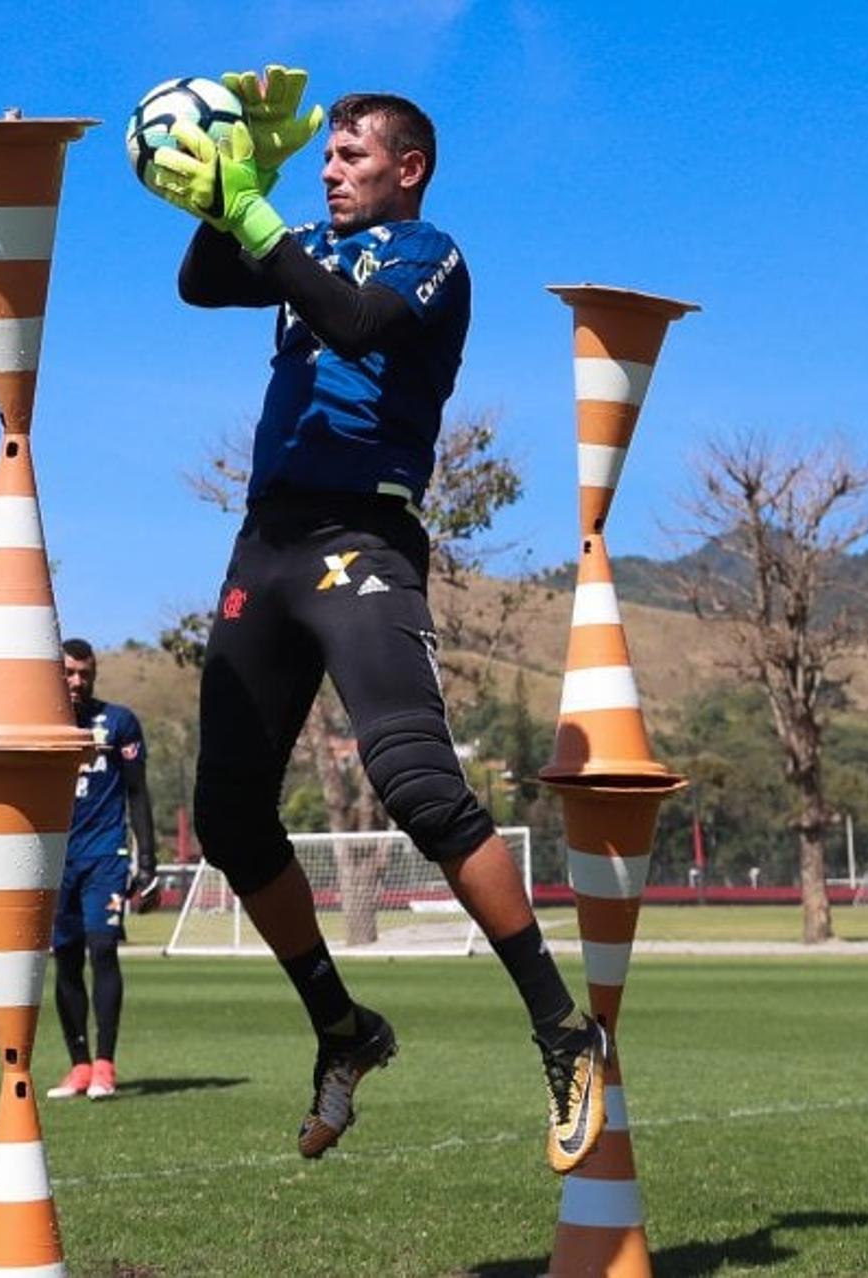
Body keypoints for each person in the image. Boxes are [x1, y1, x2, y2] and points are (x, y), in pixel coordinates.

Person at [147, 67, 610, 1172]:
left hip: (364, 537)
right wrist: (233, 182)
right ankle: (342, 1028)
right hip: (266, 543)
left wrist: (262, 217)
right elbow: (203, 285)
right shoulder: (297, 233)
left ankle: (564, 1029)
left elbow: (352, 322)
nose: (331, 171)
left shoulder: (429, 253)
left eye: (350, 157)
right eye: (325, 157)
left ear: (409, 168)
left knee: (414, 781)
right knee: (228, 816)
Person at [45, 638, 158, 1103]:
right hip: (55, 862)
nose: (77, 681)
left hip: (105, 857)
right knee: (66, 959)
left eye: (84, 673)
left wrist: (147, 860)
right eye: (69, 672)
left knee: (103, 948)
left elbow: (137, 793)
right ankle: (79, 1065)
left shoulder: (117, 723)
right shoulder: (40, 728)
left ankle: (106, 1066)